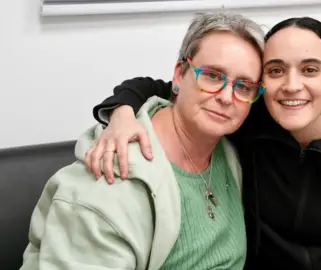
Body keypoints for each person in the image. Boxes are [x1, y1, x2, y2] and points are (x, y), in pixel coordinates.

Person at [86, 17, 321, 270]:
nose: (292, 86)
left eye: (310, 70)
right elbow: (167, 86)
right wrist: (122, 112)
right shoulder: (243, 114)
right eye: (277, 70)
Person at [20, 12, 265, 270]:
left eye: (243, 86)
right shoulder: (110, 184)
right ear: (180, 75)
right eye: (213, 76)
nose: (227, 97)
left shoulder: (229, 151)